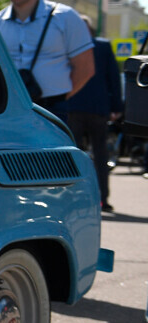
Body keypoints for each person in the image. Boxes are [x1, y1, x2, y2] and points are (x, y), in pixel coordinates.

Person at [0, 0, 93, 120]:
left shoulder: (65, 17)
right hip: (10, 109)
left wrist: (60, 96)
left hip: (53, 106)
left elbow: (85, 68)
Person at [64, 14, 123, 212]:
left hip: (73, 107)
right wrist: (116, 107)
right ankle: (103, 200)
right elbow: (113, 79)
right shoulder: (103, 46)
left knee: (73, 156)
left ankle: (73, 200)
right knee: (100, 155)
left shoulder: (68, 46)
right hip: (98, 109)